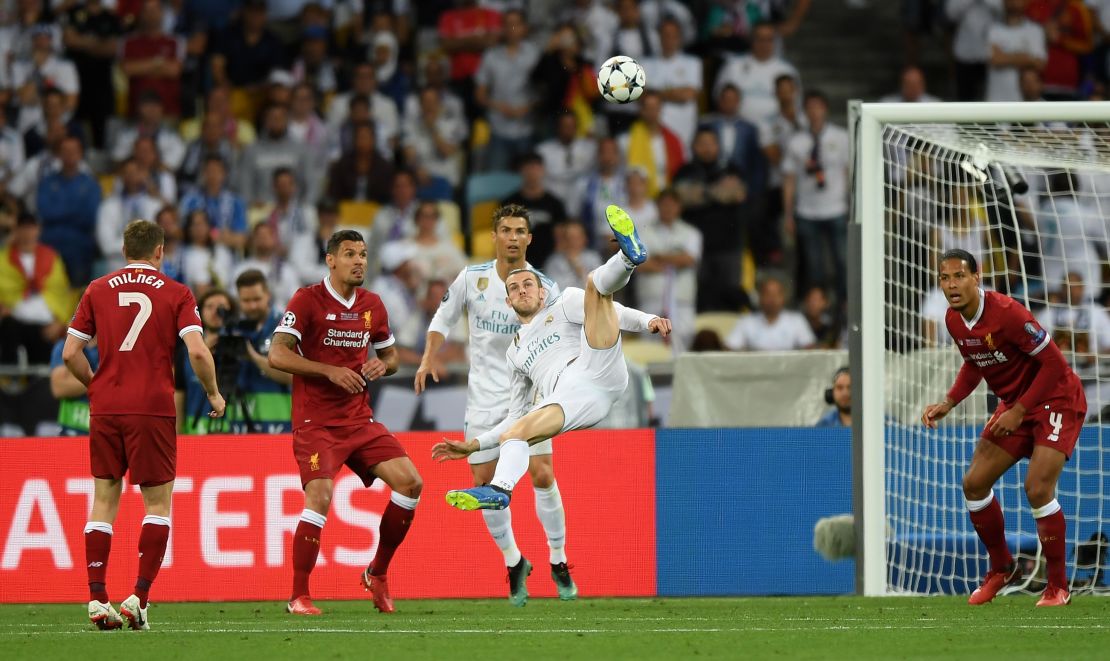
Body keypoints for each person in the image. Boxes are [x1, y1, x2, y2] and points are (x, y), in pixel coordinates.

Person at [431, 206, 671, 604]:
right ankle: (500, 491)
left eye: (528, 285)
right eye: (514, 289)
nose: (522, 290)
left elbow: (615, 311)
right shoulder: (516, 353)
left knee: (594, 286)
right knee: (515, 431)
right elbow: (513, 416)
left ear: (542, 291)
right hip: (571, 398)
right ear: (509, 302)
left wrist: (647, 321)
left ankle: (629, 256)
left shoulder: (562, 304)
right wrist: (473, 447)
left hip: (599, 365)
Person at [63, 220, 225, 630]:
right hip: (152, 407)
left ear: (123, 250)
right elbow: (198, 352)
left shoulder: (97, 289)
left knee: (103, 498)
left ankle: (98, 597)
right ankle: (139, 597)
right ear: (160, 252)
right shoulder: (177, 293)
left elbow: (69, 354)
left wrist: (96, 386)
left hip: (107, 407)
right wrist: (212, 393)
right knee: (157, 504)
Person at [415, 204, 567, 605]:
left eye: (520, 230)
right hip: (484, 397)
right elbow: (442, 319)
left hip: (531, 395)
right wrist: (429, 355)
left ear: (529, 238)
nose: (513, 237)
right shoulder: (473, 278)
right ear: (494, 236)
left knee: (542, 474)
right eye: (506, 230)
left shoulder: (545, 287)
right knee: (484, 486)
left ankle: (558, 557)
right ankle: (514, 561)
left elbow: (563, 334)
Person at [268, 229, 422, 616]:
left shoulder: (373, 304)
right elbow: (277, 355)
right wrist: (328, 371)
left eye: (364, 254)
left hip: (358, 419)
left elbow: (391, 358)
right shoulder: (307, 300)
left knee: (411, 483)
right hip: (316, 422)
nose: (359, 261)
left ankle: (377, 572)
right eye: (350, 254)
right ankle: (298, 596)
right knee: (319, 496)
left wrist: (380, 365)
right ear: (330, 260)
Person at [921, 249, 1086, 607]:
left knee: (1037, 488)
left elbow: (1055, 365)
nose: (952, 284)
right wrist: (949, 402)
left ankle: (1057, 586)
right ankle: (1001, 568)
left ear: (976, 278)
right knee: (974, 483)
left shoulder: (1008, 314)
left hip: (1055, 399)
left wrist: (1021, 409)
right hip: (1016, 405)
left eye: (959, 276)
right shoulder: (952, 320)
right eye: (945, 278)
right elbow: (975, 361)